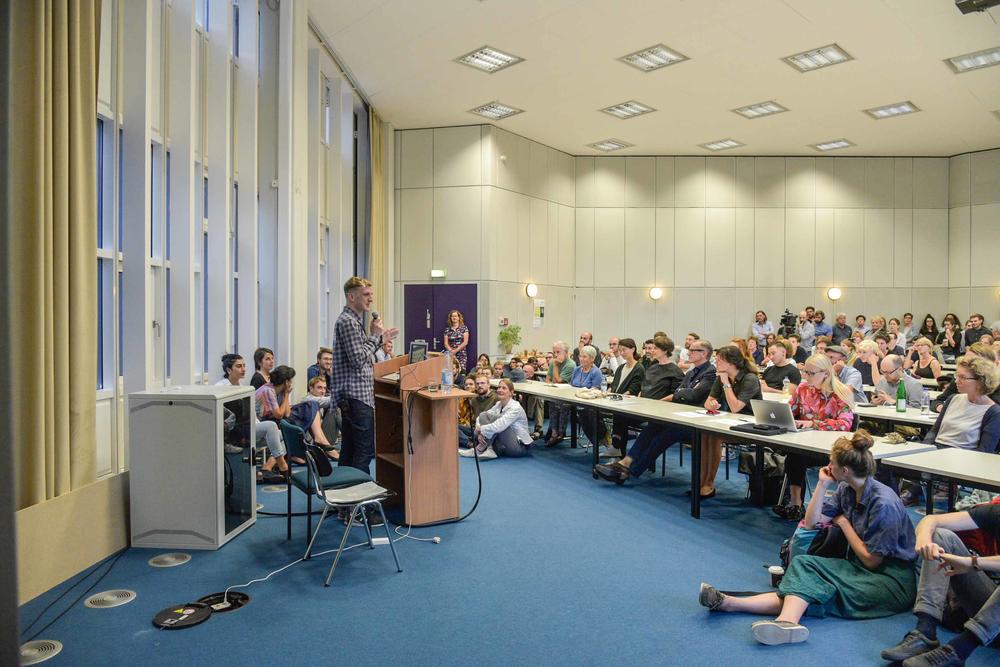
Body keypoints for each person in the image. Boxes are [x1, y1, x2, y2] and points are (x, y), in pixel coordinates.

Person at [701, 432, 916, 647]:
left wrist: (844, 524)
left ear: (845, 470)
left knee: (815, 590)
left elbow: (872, 561)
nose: (827, 466)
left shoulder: (883, 503)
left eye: (831, 463)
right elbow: (811, 523)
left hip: (889, 581)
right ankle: (734, 604)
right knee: (803, 566)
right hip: (858, 567)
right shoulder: (847, 488)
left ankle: (767, 616)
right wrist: (822, 485)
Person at [880, 505, 1000, 666]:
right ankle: (925, 632)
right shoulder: (996, 512)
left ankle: (960, 649)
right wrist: (924, 543)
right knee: (940, 535)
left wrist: (971, 562)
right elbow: (931, 519)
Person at [597, 341, 718, 486]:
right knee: (652, 427)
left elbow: (693, 395)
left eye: (692, 350)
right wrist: (683, 392)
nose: (688, 353)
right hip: (680, 416)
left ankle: (629, 471)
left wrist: (683, 392)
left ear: (704, 353)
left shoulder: (710, 372)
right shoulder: (692, 372)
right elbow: (679, 392)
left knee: (664, 436)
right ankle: (625, 463)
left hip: (696, 423)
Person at [332, 276, 399, 522]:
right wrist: (375, 337)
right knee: (363, 452)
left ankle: (344, 505)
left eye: (371, 294)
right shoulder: (348, 322)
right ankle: (357, 508)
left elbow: (362, 355)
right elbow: (358, 360)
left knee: (349, 452)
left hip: (355, 396)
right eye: (366, 294)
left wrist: (380, 339)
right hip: (355, 396)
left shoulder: (352, 321)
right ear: (352, 297)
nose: (371, 298)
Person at [773, 354, 857, 520]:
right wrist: (781, 417)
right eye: (805, 372)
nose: (806, 376)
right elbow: (790, 410)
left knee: (797, 456)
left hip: (831, 449)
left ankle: (798, 504)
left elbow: (844, 424)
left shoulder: (840, 393)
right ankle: (796, 505)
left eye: (811, 373)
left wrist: (813, 423)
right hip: (806, 444)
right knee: (794, 455)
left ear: (825, 373)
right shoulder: (803, 389)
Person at [217, 353, 289, 480]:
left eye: (244, 366)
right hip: (233, 431)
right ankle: (283, 466)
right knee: (271, 425)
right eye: (239, 366)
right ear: (229, 370)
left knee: (284, 435)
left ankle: (267, 468)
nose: (243, 369)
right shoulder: (220, 388)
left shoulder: (242, 387)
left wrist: (258, 426)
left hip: (246, 427)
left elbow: (251, 414)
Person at [923, 356, 1000, 452]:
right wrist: (924, 448)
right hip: (936, 451)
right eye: (957, 376)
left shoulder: (994, 412)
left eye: (962, 377)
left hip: (963, 456)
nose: (956, 381)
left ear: (980, 382)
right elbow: (934, 431)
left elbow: (984, 451)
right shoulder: (953, 399)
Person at [459, 379, 532, 460]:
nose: (500, 390)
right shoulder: (499, 404)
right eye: (499, 387)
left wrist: (481, 430)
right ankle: (489, 448)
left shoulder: (515, 407)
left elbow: (500, 425)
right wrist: (479, 429)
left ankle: (481, 449)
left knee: (499, 422)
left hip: (519, 447)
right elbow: (481, 417)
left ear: (511, 392)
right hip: (503, 443)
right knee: (484, 415)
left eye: (504, 388)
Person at [573, 345, 609, 447]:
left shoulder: (596, 372)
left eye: (584, 357)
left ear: (592, 358)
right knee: (555, 405)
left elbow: (595, 391)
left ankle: (600, 439)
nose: (581, 359)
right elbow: (571, 386)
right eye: (580, 356)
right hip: (574, 400)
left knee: (585, 412)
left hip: (589, 403)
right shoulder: (577, 370)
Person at [544, 341, 576, 447]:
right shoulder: (553, 362)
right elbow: (548, 379)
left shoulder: (570, 364)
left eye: (558, 352)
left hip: (567, 395)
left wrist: (556, 366)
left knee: (562, 405)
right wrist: (551, 384)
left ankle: (560, 433)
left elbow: (558, 381)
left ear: (566, 353)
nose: (555, 355)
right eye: (554, 352)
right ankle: (553, 432)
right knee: (552, 403)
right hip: (555, 393)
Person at [458, 373, 498, 449]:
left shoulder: (495, 398)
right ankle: (470, 443)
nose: (479, 385)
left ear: (489, 385)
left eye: (482, 383)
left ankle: (469, 442)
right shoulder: (474, 399)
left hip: (489, 430)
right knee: (454, 427)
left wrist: (483, 430)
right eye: (477, 383)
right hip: (476, 429)